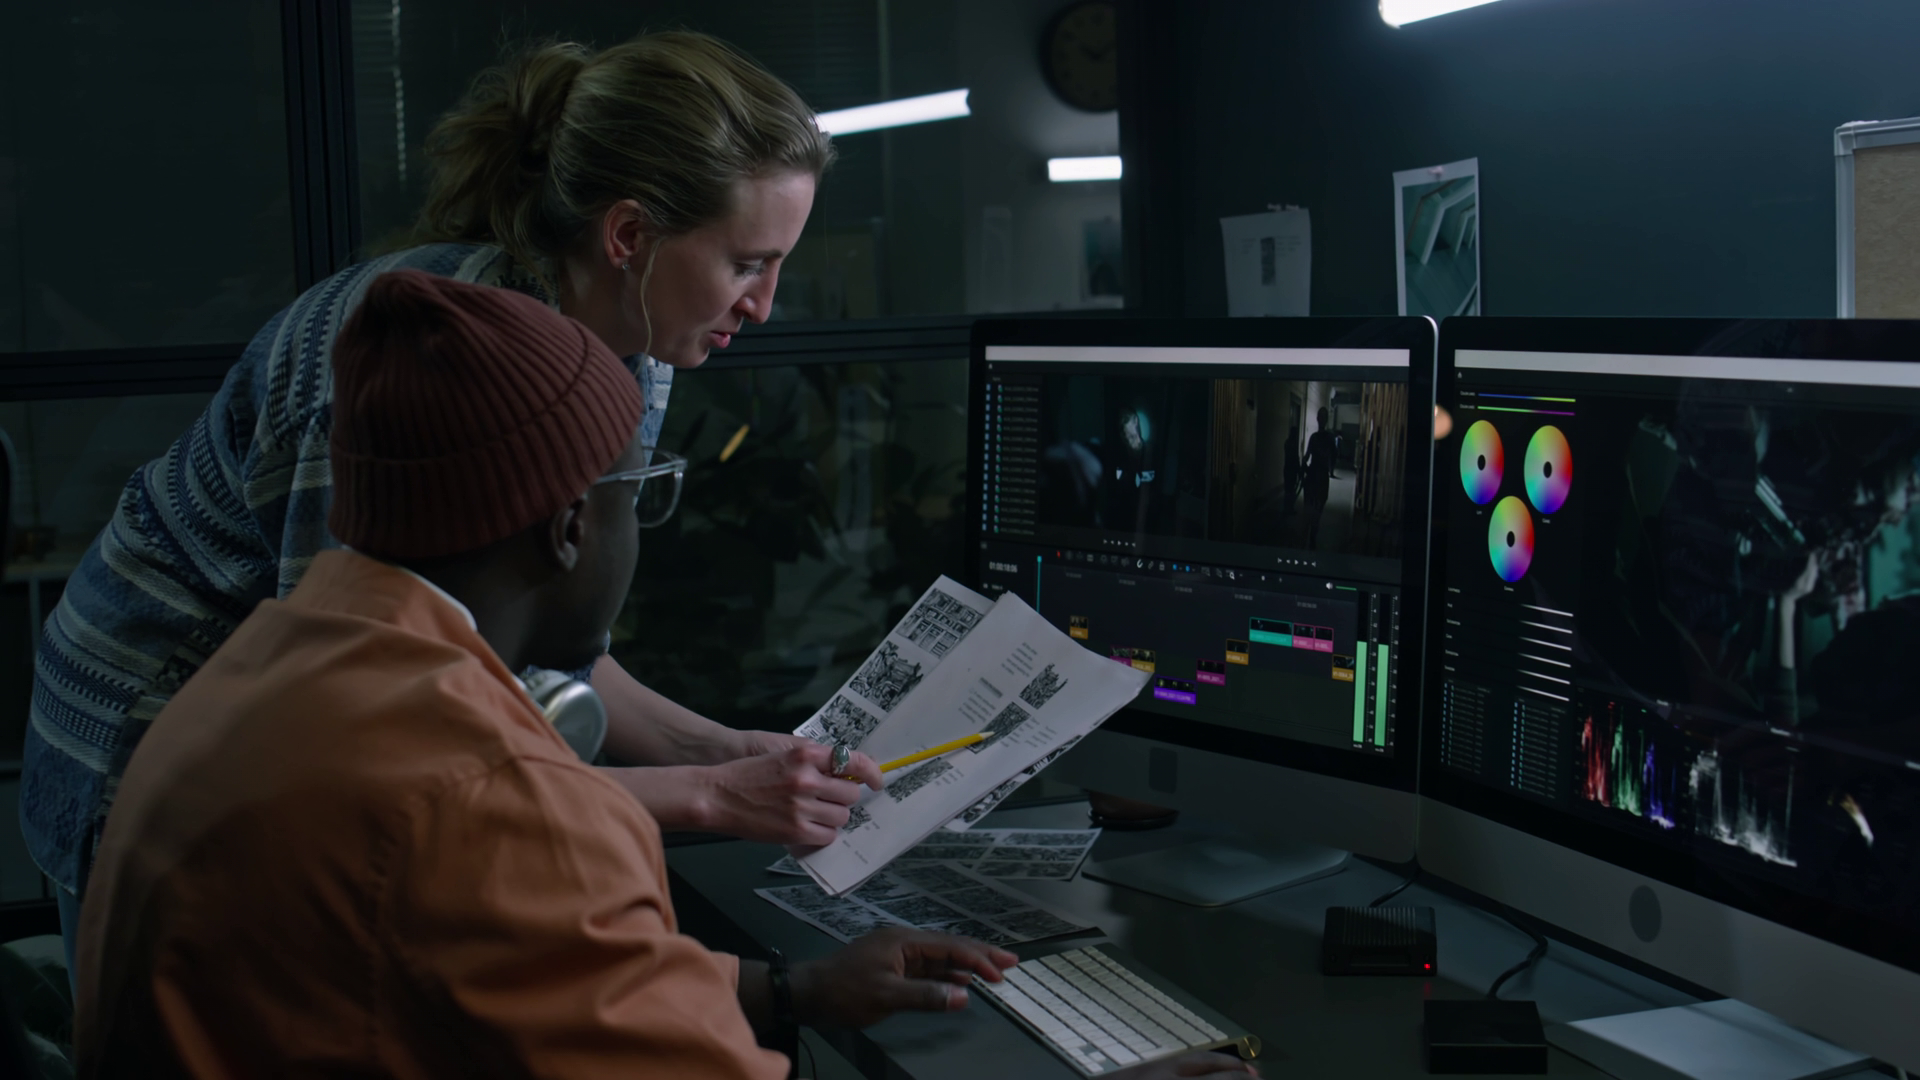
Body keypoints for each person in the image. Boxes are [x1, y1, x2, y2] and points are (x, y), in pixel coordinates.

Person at [72, 272, 1256, 1080]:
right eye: (642, 495)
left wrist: (789, 993)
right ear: (568, 529)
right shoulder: (490, 798)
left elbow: (502, 981)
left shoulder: (270, 662)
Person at [22, 31, 879, 983]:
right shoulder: (420, 357)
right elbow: (361, 728)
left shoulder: (635, 337)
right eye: (746, 265)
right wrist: (711, 795)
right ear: (629, 237)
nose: (763, 307)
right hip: (155, 735)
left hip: (321, 741)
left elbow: (554, 644)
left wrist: (734, 752)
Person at [1299, 406, 1337, 547]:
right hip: (1319, 478)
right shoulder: (1328, 438)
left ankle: (1309, 540)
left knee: (1310, 512)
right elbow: (1333, 459)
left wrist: (1304, 463)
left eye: (1322, 417)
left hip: (1315, 477)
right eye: (1321, 417)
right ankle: (1311, 540)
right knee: (1314, 513)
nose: (1321, 419)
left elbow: (1308, 455)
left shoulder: (1317, 438)